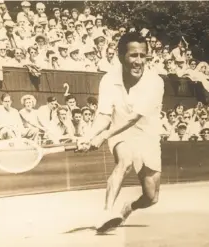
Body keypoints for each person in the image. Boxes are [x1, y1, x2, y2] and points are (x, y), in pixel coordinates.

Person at [78, 32, 164, 233]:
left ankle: (128, 208)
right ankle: (106, 213)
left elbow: (134, 118)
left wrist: (102, 136)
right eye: (133, 55)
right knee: (124, 161)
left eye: (143, 56)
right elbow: (104, 115)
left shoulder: (155, 82)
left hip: (147, 136)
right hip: (120, 133)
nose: (139, 61)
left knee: (151, 198)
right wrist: (88, 135)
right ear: (120, 57)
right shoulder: (109, 80)